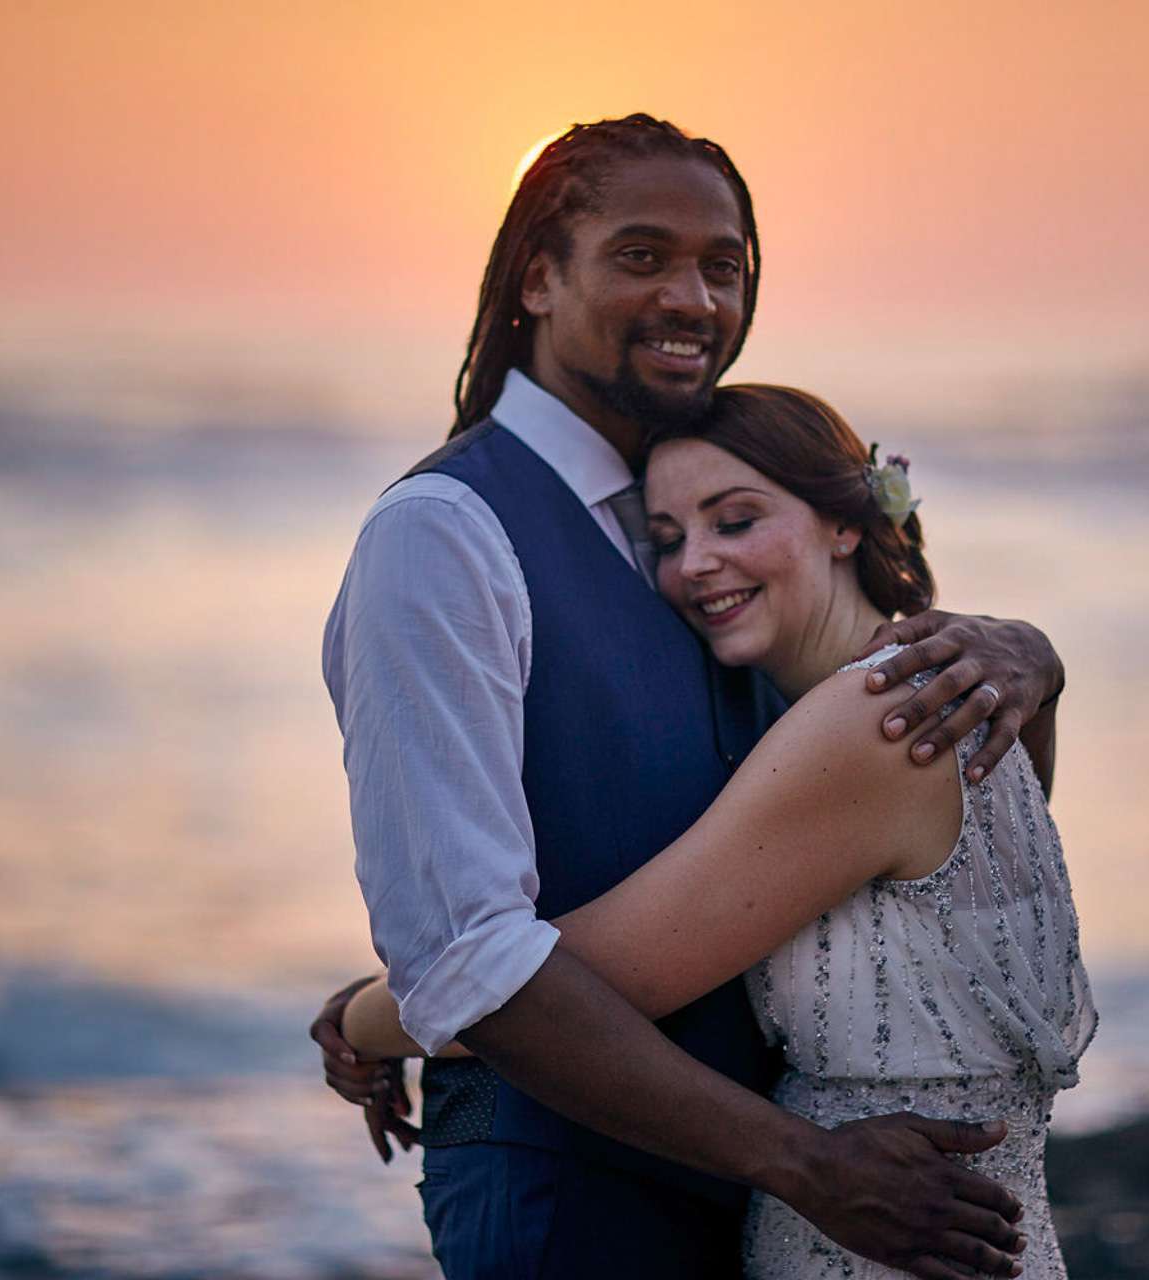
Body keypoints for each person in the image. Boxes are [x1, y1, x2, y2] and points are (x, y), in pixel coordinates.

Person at [311, 114, 1067, 1280]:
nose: (695, 298)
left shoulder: (696, 538)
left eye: (725, 266)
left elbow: (928, 866)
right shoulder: (444, 537)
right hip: (568, 1193)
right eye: (642, 255)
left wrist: (1030, 656)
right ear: (538, 275)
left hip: (781, 1196)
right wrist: (804, 1162)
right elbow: (467, 957)